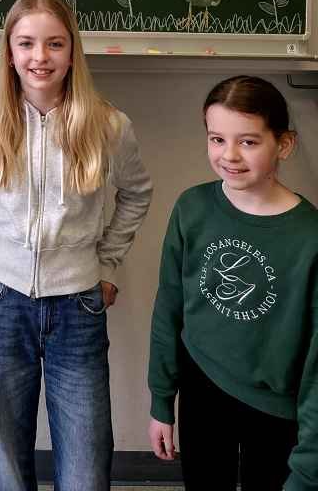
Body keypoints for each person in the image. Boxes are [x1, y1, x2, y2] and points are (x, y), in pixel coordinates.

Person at [0, 0, 152, 491]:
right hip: (1, 299)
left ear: (72, 53)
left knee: (86, 465)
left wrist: (108, 263)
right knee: (6, 454)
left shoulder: (108, 125)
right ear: (9, 53)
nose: (40, 57)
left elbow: (137, 193)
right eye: (26, 43)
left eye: (55, 44)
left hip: (78, 304)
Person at [148, 75, 318, 491]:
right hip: (202, 391)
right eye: (217, 139)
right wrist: (161, 401)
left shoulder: (310, 236)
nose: (229, 155)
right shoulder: (192, 208)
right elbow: (169, 309)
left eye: (248, 141)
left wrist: (308, 468)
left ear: (284, 144)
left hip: (277, 410)